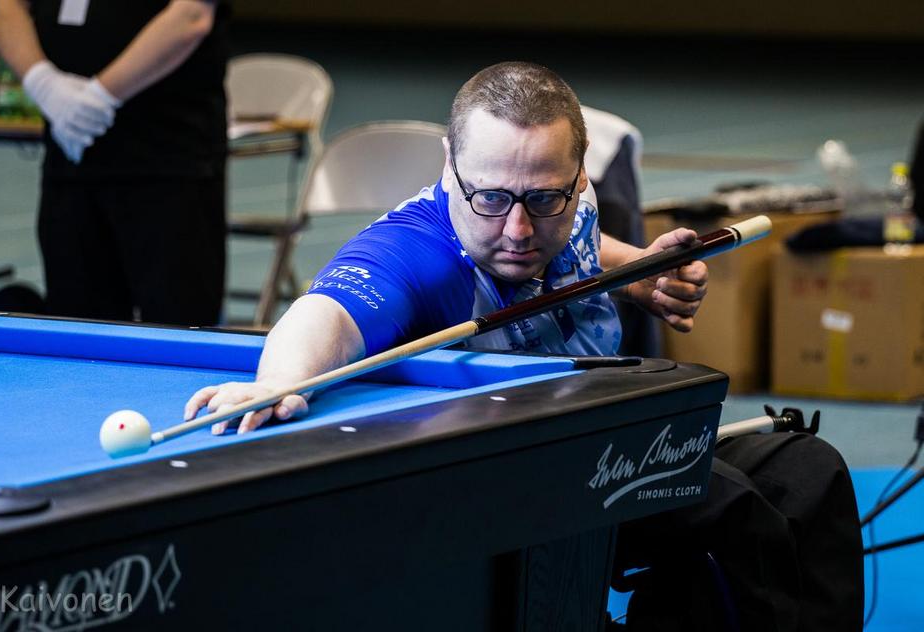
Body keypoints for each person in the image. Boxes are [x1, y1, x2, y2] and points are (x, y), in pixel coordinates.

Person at [185, 62, 863, 631]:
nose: (517, 229)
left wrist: (635, 274)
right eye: (490, 198)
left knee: (808, 471)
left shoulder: (561, 198)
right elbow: (325, 316)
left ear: (577, 176)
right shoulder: (416, 252)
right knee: (734, 511)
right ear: (449, 165)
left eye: (543, 200)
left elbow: (582, 238)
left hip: (600, 429)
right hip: (514, 483)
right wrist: (277, 382)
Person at [0, 0, 228, 326]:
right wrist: (43, 83)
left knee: (177, 327)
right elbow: (5, 7)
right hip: (71, 157)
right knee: (74, 329)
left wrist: (100, 97)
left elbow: (192, 15)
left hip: (168, 164)